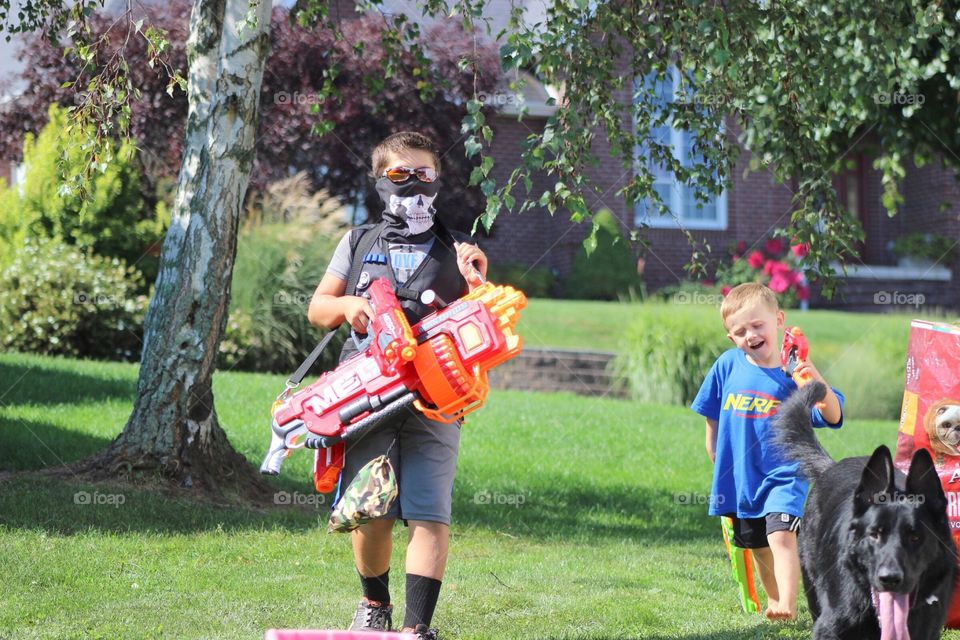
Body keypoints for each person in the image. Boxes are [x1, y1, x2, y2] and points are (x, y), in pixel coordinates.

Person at [307, 131, 488, 640]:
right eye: (399, 175)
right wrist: (346, 306)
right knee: (372, 508)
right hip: (366, 397)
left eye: (424, 174)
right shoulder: (358, 241)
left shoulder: (458, 250)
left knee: (430, 511)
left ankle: (418, 628)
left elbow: (484, 322)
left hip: (437, 400)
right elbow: (318, 308)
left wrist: (477, 280)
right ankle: (374, 603)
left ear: (438, 180)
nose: (413, 185)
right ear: (378, 182)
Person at [691, 282, 844, 621]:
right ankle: (775, 601)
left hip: (785, 474)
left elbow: (832, 415)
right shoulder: (727, 365)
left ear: (778, 319)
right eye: (740, 331)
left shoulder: (795, 375)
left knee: (781, 536)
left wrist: (811, 372)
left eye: (757, 325)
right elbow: (711, 410)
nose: (750, 335)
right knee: (758, 547)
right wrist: (712, 443)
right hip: (742, 477)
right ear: (731, 338)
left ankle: (788, 604)